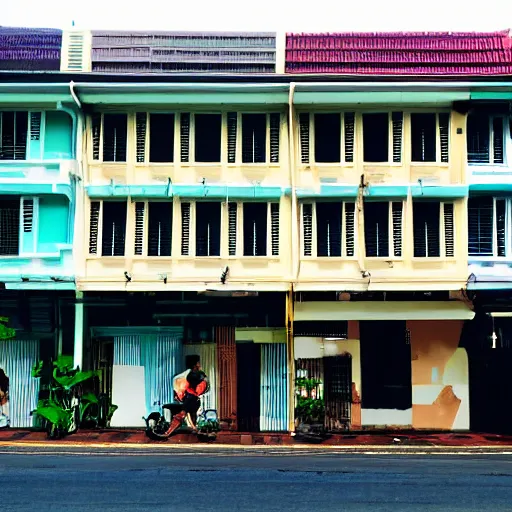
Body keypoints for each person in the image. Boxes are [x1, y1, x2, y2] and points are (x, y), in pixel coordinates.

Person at [165, 355, 208, 436]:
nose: (199, 364)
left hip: (193, 398)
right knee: (182, 414)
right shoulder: (193, 374)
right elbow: (198, 383)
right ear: (195, 364)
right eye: (198, 363)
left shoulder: (190, 373)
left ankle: (194, 429)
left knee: (191, 415)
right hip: (191, 398)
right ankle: (168, 432)